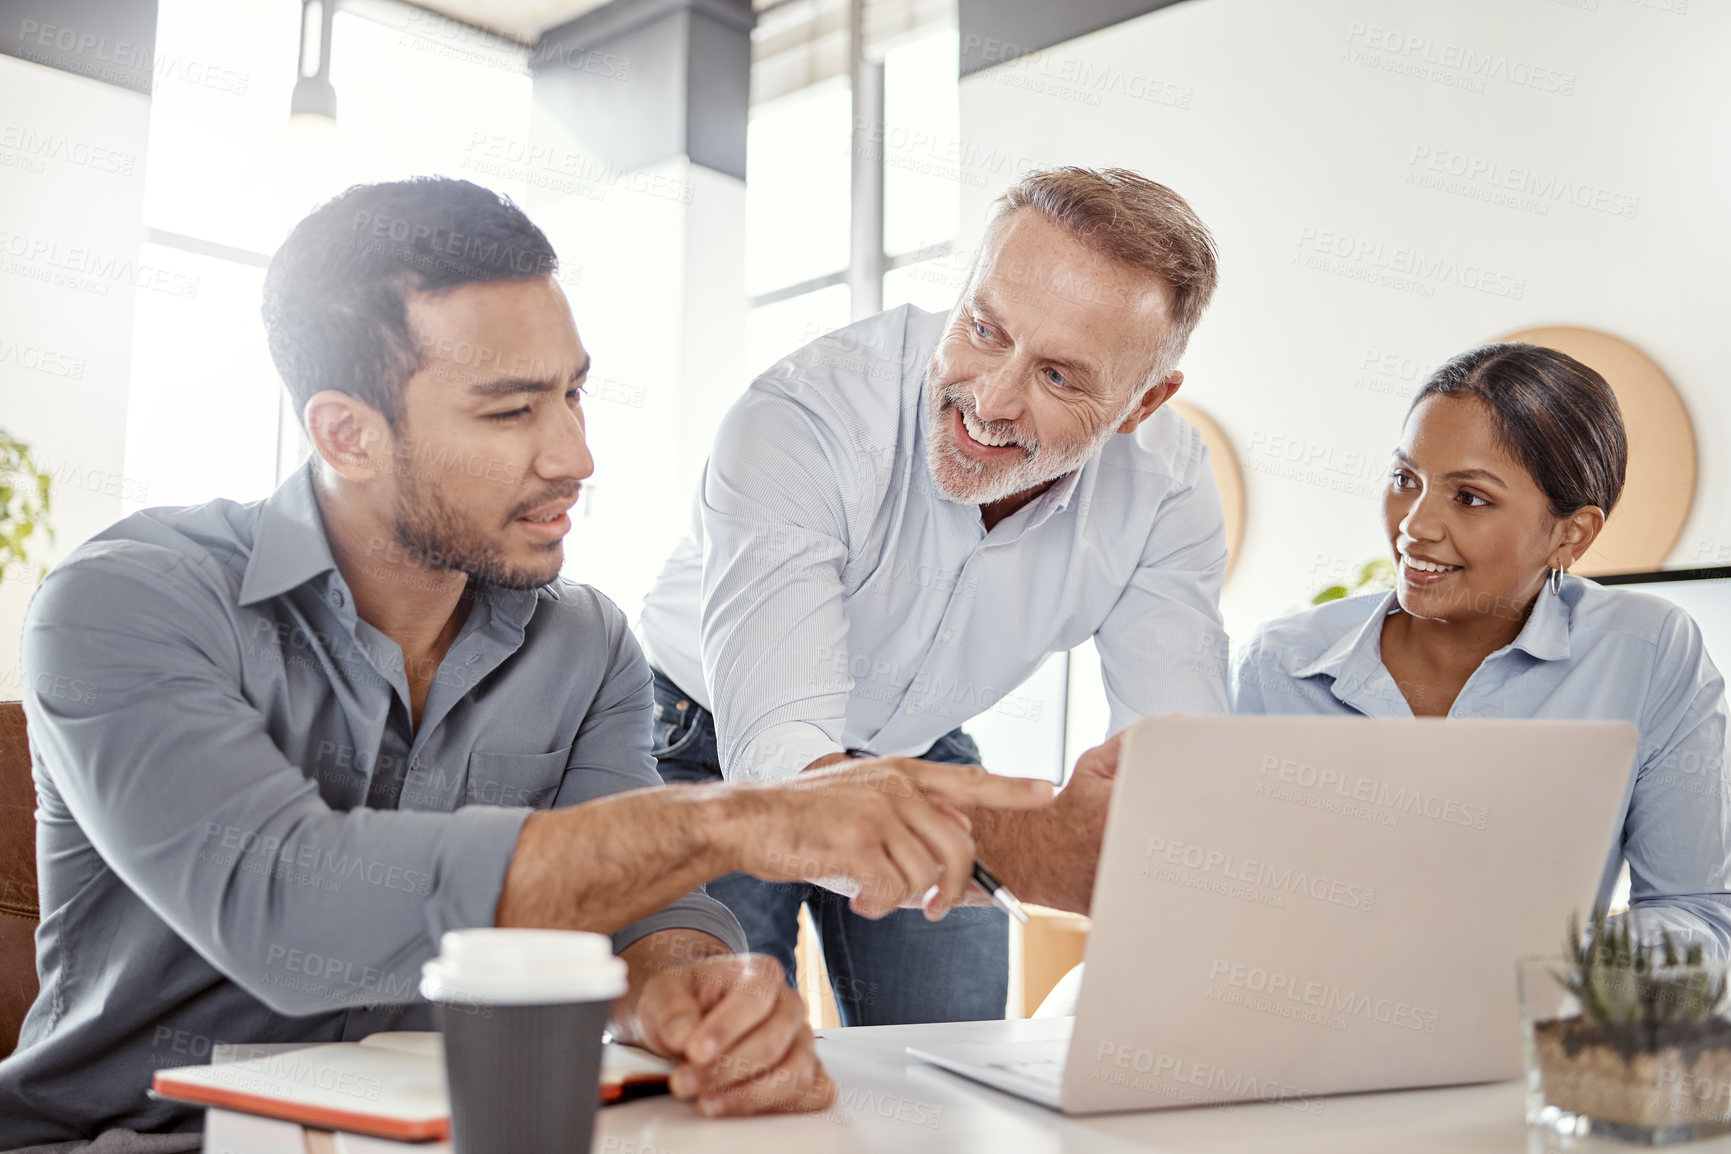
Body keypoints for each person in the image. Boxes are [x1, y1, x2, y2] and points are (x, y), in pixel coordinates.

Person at [0, 178, 1054, 1152]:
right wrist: (741, 815)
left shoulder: (586, 641)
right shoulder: (124, 602)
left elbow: (643, 915)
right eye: (510, 410)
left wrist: (679, 989)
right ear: (346, 433)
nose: (575, 456)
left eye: (575, 395)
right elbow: (284, 909)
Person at [638, 167, 1230, 1025]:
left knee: (951, 1064)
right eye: (984, 330)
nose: (989, 401)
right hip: (705, 735)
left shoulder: (1167, 490)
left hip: (916, 741)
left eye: (1060, 378)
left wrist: (1153, 830)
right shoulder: (804, 414)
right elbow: (784, 769)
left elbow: (1176, 770)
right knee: (727, 1060)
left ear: (1145, 402)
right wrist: (1050, 847)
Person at [1231, 341, 1731, 949]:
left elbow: (1696, 913)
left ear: (1571, 536)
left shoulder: (1646, 654)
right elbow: (1226, 899)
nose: (1414, 526)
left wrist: (1541, 979)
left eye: (1470, 498)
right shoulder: (1281, 664)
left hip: (1535, 1031)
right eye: (1404, 479)